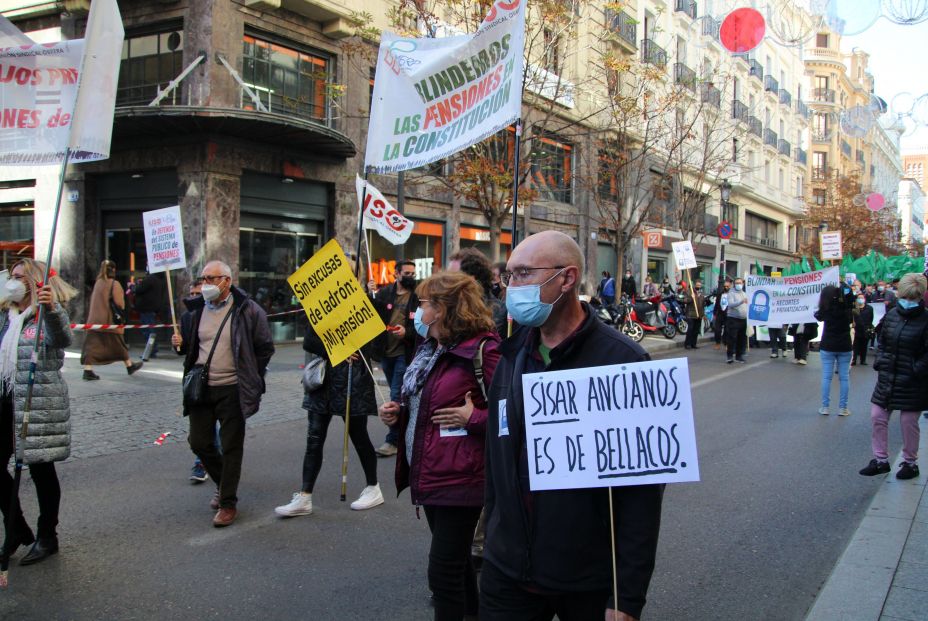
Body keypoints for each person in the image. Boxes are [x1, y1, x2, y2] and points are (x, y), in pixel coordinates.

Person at [481, 231, 663, 621]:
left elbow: (641, 494)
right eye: (509, 276)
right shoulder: (512, 352)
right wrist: (493, 535)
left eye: (524, 273)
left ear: (566, 278)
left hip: (586, 581)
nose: (512, 287)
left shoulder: (624, 362)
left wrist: (626, 596)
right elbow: (497, 454)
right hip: (507, 571)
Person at [378, 271, 500, 620]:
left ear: (445, 309)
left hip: (462, 477)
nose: (418, 310)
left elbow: (515, 418)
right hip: (431, 470)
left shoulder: (483, 350)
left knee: (442, 572)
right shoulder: (430, 348)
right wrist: (399, 412)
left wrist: (473, 418)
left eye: (425, 303)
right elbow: (426, 404)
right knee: (457, 562)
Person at [171, 261, 274, 527]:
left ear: (226, 281)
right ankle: (222, 483)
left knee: (231, 447)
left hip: (233, 389)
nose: (205, 284)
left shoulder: (248, 310)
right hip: (202, 388)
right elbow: (190, 350)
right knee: (199, 442)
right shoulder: (193, 313)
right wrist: (179, 347)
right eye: (203, 278)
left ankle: (228, 503)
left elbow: (264, 348)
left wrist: (251, 373)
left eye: (211, 278)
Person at [0, 259, 77, 565]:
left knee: (40, 469)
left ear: (35, 283)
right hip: (6, 399)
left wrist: (52, 310)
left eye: (20, 277)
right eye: (12, 276)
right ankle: (16, 527)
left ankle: (48, 536)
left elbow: (62, 340)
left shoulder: (47, 313)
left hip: (37, 400)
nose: (14, 281)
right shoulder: (7, 315)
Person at [275, 324, 383, 517]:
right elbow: (309, 342)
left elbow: (373, 346)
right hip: (323, 379)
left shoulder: (361, 308)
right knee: (314, 439)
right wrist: (337, 350)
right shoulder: (321, 306)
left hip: (353, 379)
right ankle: (305, 495)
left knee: (359, 436)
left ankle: (373, 487)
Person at [860, 273, 928, 480]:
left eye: (912, 297)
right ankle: (880, 460)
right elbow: (883, 341)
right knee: (877, 416)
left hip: (912, 381)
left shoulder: (926, 320)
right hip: (888, 377)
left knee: (908, 422)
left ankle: (910, 463)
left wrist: (916, 369)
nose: (908, 301)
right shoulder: (892, 315)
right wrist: (880, 362)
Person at [371, 260, 419, 457]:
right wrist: (370, 293)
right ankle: (406, 431)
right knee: (399, 395)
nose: (410, 277)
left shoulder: (417, 296)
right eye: (406, 273)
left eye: (413, 273)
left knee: (395, 395)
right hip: (386, 352)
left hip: (404, 353)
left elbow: (421, 324)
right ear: (397, 274)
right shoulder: (385, 293)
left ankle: (392, 440)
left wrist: (406, 333)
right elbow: (372, 311)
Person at [80, 260, 143, 380]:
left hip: (94, 320)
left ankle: (88, 370)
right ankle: (129, 366)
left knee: (92, 346)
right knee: (119, 344)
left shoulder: (98, 283)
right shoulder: (114, 284)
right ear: (113, 270)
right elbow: (119, 303)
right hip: (109, 321)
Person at [180, 277, 212, 484]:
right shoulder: (186, 317)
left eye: (198, 294)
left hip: (217, 376)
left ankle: (205, 463)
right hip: (195, 378)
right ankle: (205, 458)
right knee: (199, 430)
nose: (194, 298)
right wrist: (178, 344)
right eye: (191, 294)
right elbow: (185, 350)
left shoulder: (215, 314)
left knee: (215, 423)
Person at [449, 247, 508, 336]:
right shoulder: (450, 306)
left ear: (471, 280)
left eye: (453, 277)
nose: (446, 282)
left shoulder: (498, 312)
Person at [814, 285, 853, 416]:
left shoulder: (826, 308)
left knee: (826, 377)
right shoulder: (846, 307)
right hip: (845, 345)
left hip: (828, 345)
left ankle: (825, 407)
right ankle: (843, 408)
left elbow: (817, 316)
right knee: (844, 378)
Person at [132, 270, 166, 360]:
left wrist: (134, 287)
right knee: (150, 329)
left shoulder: (150, 278)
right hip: (152, 307)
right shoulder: (160, 279)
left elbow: (139, 289)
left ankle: (151, 350)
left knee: (148, 330)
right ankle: (152, 349)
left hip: (146, 307)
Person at [725, 277, 748, 364]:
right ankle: (730, 356)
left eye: (740, 283)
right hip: (733, 319)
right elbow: (730, 304)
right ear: (734, 284)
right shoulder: (731, 293)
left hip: (743, 319)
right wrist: (741, 301)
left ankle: (739, 356)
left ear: (743, 284)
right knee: (732, 338)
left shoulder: (744, 293)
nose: (739, 284)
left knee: (741, 339)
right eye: (737, 283)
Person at [852, 293, 874, 366]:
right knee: (855, 346)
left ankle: (863, 360)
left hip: (865, 329)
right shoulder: (854, 308)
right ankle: (854, 359)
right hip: (856, 329)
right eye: (859, 298)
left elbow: (871, 318)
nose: (860, 299)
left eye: (862, 298)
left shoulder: (869, 308)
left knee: (864, 346)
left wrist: (870, 328)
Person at [683, 278, 705, 350]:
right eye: (697, 285)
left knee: (696, 330)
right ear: (694, 285)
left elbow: (702, 304)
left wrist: (703, 314)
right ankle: (687, 344)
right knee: (690, 329)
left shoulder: (701, 293)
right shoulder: (689, 291)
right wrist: (692, 298)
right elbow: (685, 300)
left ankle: (693, 344)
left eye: (700, 285)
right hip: (691, 314)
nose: (698, 286)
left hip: (699, 314)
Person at [712, 279, 731, 350]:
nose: (726, 287)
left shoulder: (731, 295)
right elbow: (717, 304)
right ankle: (717, 343)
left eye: (727, 286)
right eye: (725, 286)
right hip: (720, 314)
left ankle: (726, 343)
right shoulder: (720, 294)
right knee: (717, 330)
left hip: (728, 314)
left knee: (727, 330)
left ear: (730, 286)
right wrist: (714, 313)